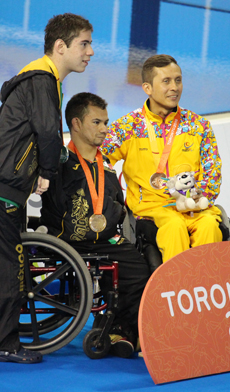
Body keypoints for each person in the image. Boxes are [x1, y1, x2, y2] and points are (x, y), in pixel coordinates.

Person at [0, 13, 94, 364]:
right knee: (7, 263)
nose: (90, 52)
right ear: (61, 46)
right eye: (84, 44)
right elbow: (48, 132)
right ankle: (4, 343)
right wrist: (47, 171)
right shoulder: (43, 80)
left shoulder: (36, 77)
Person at [40, 92, 151, 358]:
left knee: (139, 269)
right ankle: (117, 330)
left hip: (104, 242)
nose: (104, 129)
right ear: (76, 124)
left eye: (106, 122)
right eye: (97, 122)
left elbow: (118, 204)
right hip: (69, 242)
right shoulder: (58, 163)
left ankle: (120, 330)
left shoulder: (107, 167)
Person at [102, 54, 222, 264]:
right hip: (153, 209)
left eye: (178, 80)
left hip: (194, 207)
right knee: (174, 228)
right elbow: (99, 160)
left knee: (209, 226)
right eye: (166, 81)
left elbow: (212, 174)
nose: (174, 87)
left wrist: (198, 197)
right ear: (147, 88)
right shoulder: (128, 127)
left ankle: (206, 283)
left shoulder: (198, 126)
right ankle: (178, 284)